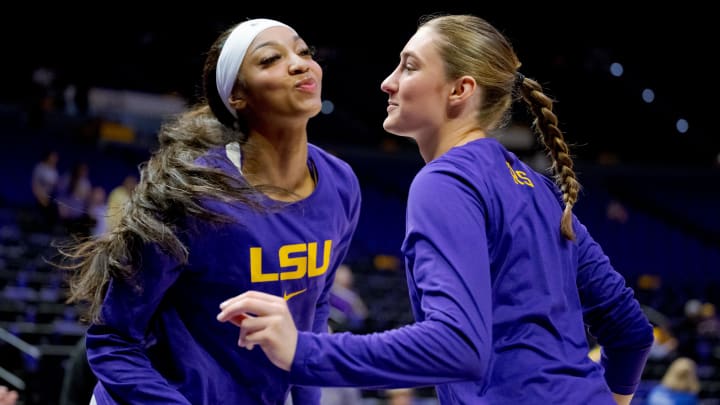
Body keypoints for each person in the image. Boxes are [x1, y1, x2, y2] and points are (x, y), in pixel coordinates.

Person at [216, 13, 654, 405]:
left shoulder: (445, 182)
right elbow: (631, 331)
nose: (388, 82)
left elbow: (456, 346)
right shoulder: (537, 187)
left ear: (460, 90)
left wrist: (302, 350)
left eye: (409, 66)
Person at [59, 17, 361, 405]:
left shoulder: (341, 183)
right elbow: (112, 340)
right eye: (271, 59)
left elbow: (313, 313)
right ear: (237, 96)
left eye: (304, 52)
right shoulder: (190, 194)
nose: (300, 63)